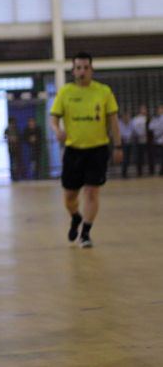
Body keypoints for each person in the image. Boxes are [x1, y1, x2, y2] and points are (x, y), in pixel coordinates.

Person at [49, 52, 122, 248]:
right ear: (73, 71)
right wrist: (57, 130)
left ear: (91, 69)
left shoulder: (103, 91)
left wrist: (118, 145)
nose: (82, 71)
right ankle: (75, 217)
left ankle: (86, 233)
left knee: (91, 192)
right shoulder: (65, 92)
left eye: (86, 68)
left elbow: (113, 120)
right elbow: (54, 118)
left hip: (97, 150)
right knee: (70, 197)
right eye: (78, 68)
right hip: (73, 151)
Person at [131, 104, 152, 176]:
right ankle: (139, 172)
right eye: (142, 109)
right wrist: (140, 133)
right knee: (139, 157)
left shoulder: (149, 118)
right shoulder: (136, 119)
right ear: (139, 110)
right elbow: (134, 128)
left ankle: (150, 171)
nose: (144, 110)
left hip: (148, 141)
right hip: (139, 141)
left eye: (145, 109)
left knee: (149, 156)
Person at [118, 112, 134, 178]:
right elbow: (120, 133)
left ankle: (125, 172)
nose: (127, 118)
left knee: (128, 158)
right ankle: (123, 173)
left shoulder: (131, 123)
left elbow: (132, 131)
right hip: (123, 142)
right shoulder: (119, 123)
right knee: (124, 158)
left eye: (128, 116)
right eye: (126, 116)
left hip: (129, 142)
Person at [149, 105, 163, 176]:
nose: (160, 110)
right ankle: (160, 170)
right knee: (159, 157)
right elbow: (150, 127)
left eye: (161, 109)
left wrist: (157, 127)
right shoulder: (154, 118)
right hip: (157, 141)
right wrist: (158, 127)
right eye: (158, 109)